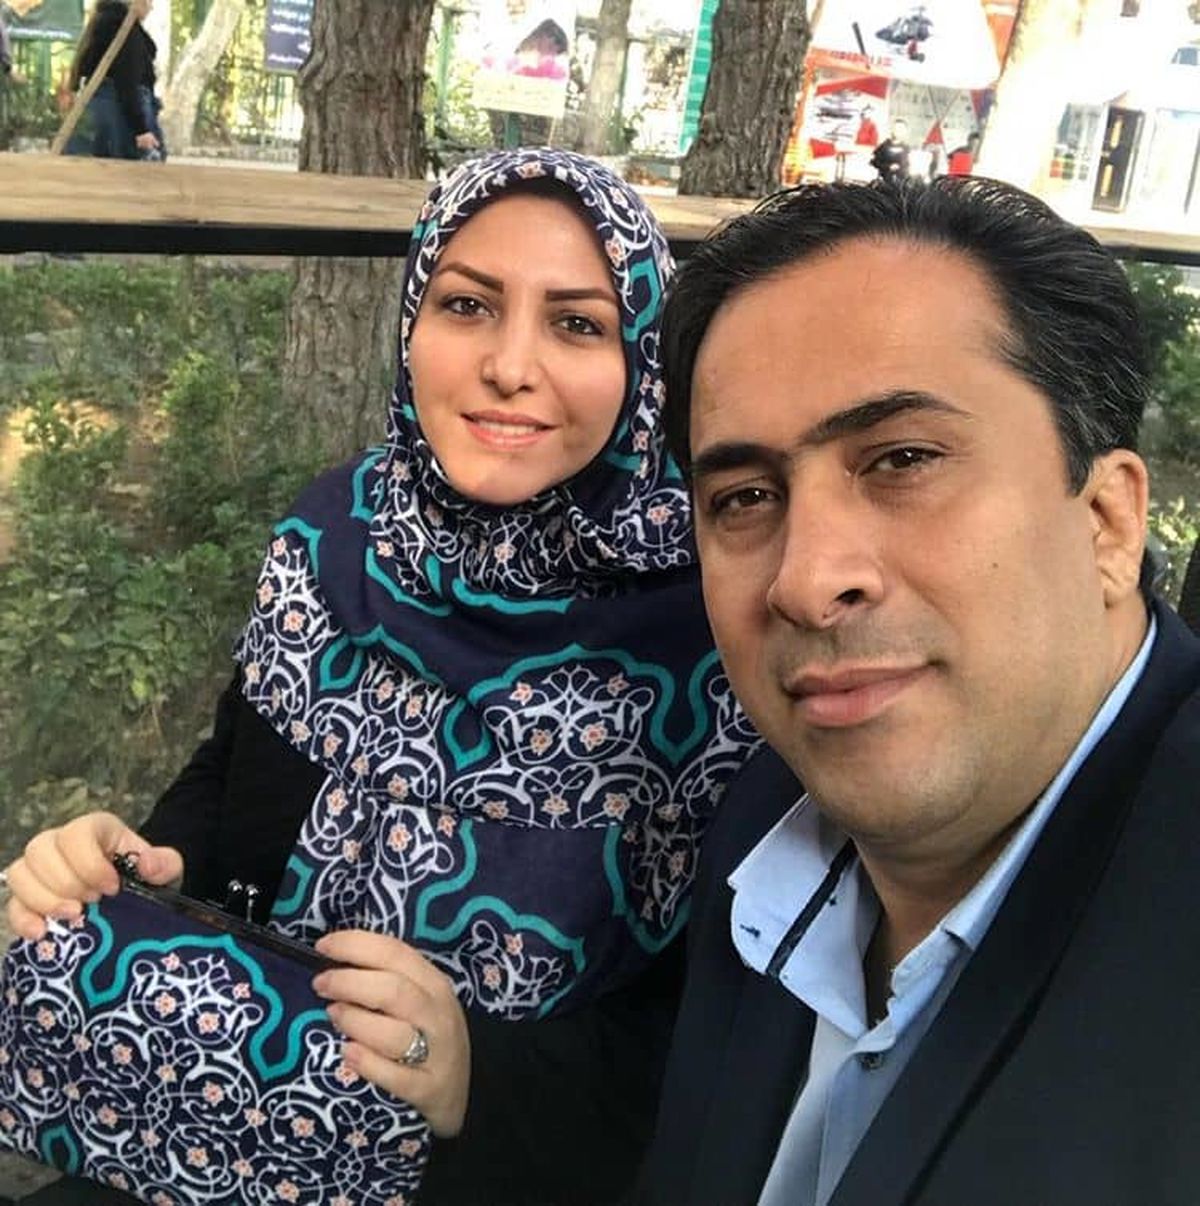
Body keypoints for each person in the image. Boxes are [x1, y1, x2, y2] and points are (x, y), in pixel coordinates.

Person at [3, 148, 757, 1205]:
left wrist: (469, 1073)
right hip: (220, 1130)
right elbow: (231, 781)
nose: (509, 366)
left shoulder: (712, 635)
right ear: (411, 323)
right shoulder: (334, 540)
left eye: (577, 325)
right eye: (468, 306)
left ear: (644, 362)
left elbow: (710, 1040)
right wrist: (135, 870)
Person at [638, 175, 1200, 1205]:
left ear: (1107, 522)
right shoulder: (767, 827)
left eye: (902, 458)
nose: (807, 579)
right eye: (747, 497)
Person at [67, 0, 164, 160]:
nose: (151, 7)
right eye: (148, 1)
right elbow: (127, 81)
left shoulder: (102, 23)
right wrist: (141, 130)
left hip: (99, 108)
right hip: (121, 112)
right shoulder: (124, 29)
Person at [869, 117, 909, 182]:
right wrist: (888, 166)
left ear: (904, 131)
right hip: (884, 181)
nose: (898, 131)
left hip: (900, 182)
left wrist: (900, 168)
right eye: (896, 128)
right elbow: (874, 162)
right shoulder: (884, 146)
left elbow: (907, 166)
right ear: (892, 130)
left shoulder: (906, 149)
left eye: (900, 129)